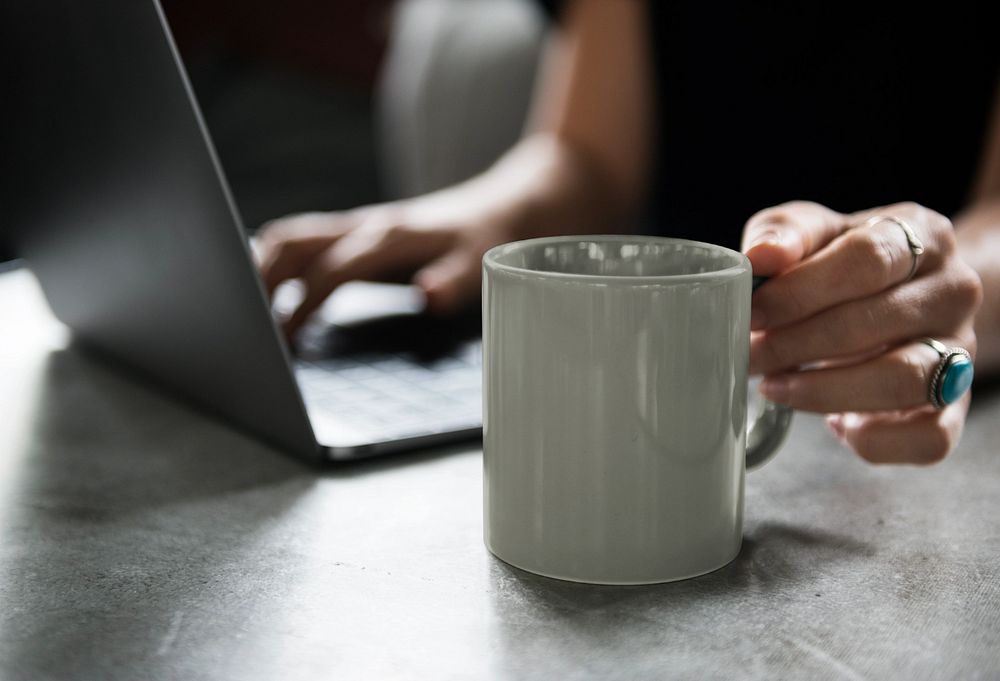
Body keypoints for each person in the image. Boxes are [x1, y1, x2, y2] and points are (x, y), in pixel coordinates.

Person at [255, 1, 999, 465]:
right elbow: (590, 157)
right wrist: (484, 214)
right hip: (665, 381)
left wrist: (937, 285)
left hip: (900, 421)